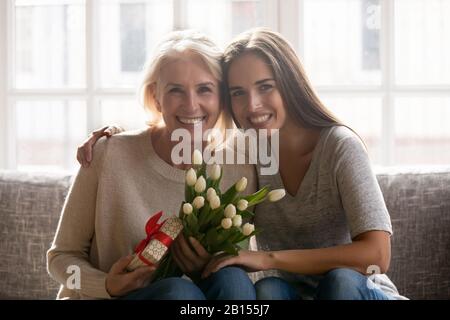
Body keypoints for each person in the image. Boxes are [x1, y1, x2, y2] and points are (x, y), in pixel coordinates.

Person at [78, 28, 406, 300]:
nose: (252, 105)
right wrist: (114, 135)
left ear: (291, 83)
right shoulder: (248, 151)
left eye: (265, 87)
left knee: (340, 283)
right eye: (238, 92)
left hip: (357, 290)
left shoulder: (338, 147)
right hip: (290, 292)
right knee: (267, 291)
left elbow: (378, 256)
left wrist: (265, 258)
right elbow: (172, 126)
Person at [47, 30, 257, 300]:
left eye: (204, 89)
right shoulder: (107, 154)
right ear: (156, 97)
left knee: (232, 278)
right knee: (178, 291)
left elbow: (231, 264)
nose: (191, 105)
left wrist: (204, 266)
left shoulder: (239, 170)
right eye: (175, 90)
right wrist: (105, 285)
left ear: (221, 98)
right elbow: (60, 258)